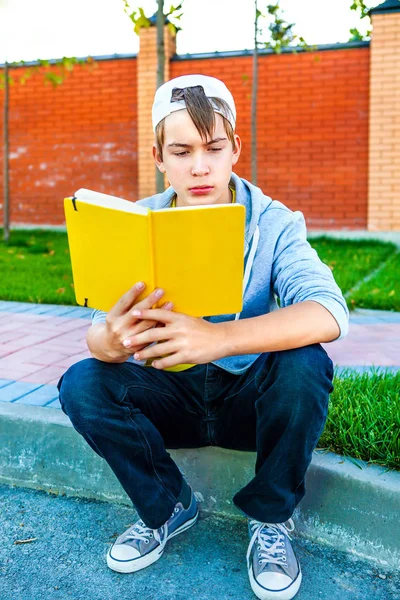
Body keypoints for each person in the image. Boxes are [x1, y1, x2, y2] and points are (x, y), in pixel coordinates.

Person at [58, 74, 349, 600]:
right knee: (82, 383)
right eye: (182, 150)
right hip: (171, 396)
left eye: (214, 148)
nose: (199, 166)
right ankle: (168, 506)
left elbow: (329, 311)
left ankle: (271, 518)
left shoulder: (275, 223)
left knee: (305, 363)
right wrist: (108, 341)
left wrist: (218, 340)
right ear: (158, 156)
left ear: (235, 148)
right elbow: (98, 335)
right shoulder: (135, 223)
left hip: (248, 404)